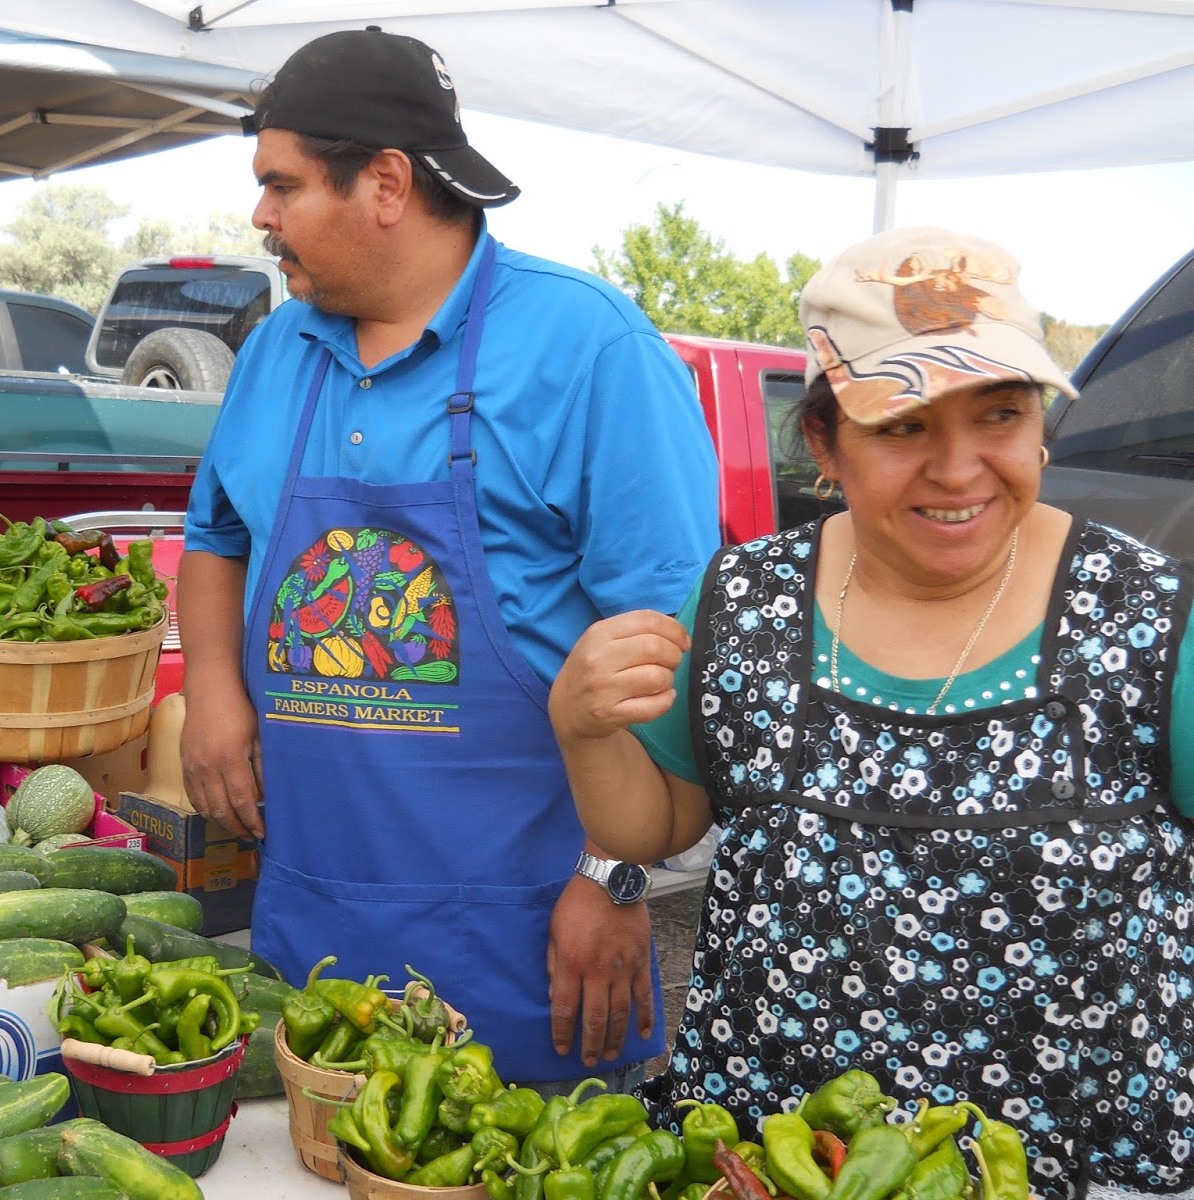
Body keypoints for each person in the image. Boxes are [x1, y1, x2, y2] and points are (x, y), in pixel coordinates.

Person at [549, 225, 1194, 1196]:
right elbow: (659, 824)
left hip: (1070, 1160)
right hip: (783, 1154)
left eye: (999, 416)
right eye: (903, 426)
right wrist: (582, 728)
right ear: (823, 443)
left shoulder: (1148, 616)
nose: (958, 467)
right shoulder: (743, 600)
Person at [177, 27, 720, 1090]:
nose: (260, 218)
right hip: (311, 907)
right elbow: (216, 533)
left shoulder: (590, 347)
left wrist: (614, 877)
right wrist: (208, 688)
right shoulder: (277, 351)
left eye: (280, 186)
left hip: (524, 926)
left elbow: (670, 637)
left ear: (383, 183)